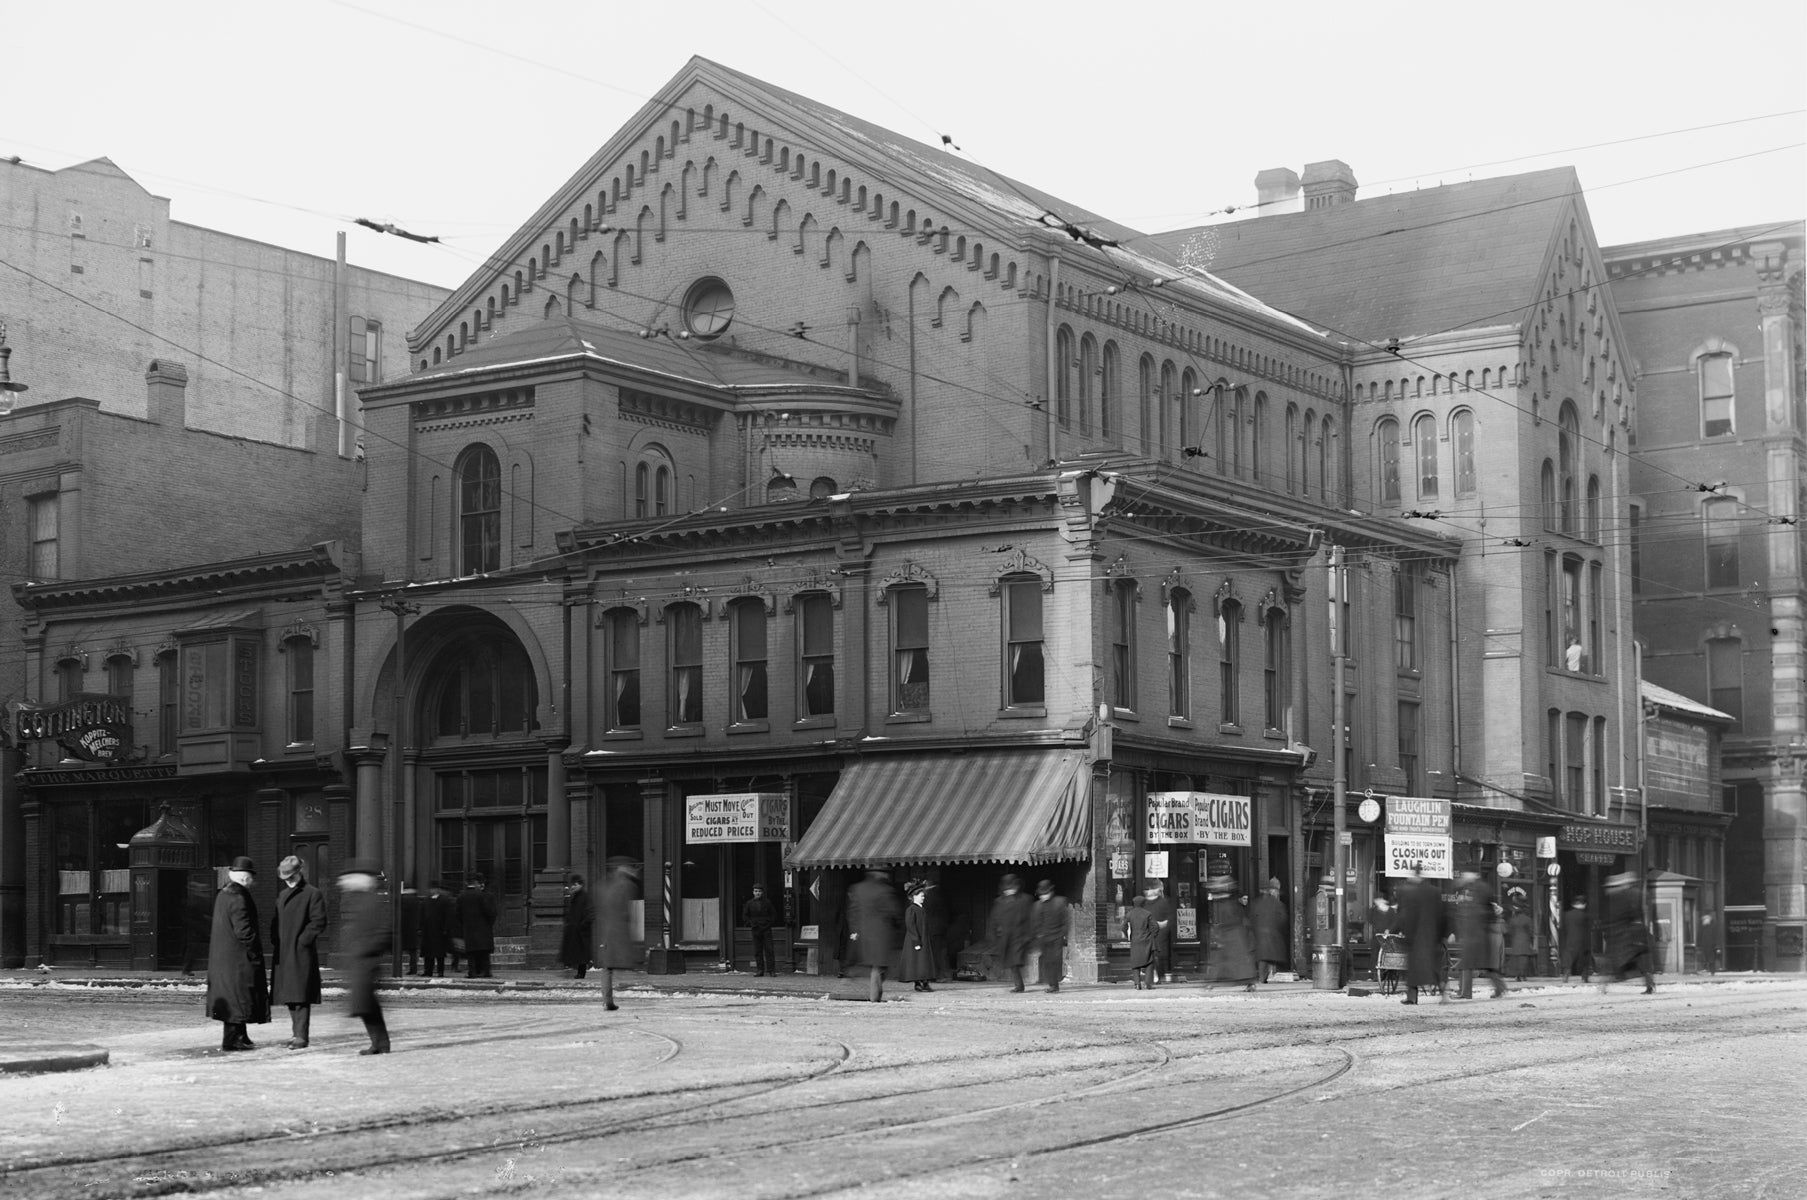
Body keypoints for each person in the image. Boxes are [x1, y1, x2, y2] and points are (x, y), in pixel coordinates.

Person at [205, 856, 270, 1051]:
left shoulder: (224, 894)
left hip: (225, 959)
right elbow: (244, 931)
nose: (252, 881)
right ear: (245, 878)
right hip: (238, 959)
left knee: (234, 997)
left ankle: (240, 1035)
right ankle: (234, 1040)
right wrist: (255, 951)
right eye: (251, 877)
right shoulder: (239, 897)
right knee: (238, 998)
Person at [269, 855, 327, 1050]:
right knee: (290, 995)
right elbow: (276, 920)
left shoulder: (312, 893)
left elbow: (318, 921)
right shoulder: (282, 895)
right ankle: (296, 1034)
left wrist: (303, 941)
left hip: (300, 953)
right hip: (284, 952)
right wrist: (275, 939)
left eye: (291, 877)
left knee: (301, 995)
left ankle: (301, 1036)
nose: (289, 881)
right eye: (285, 878)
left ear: (299, 873)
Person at [336, 859, 392, 1055]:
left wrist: (364, 948)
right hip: (360, 961)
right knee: (367, 1005)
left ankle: (380, 1043)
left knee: (366, 1004)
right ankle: (380, 1043)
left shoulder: (372, 901)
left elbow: (385, 931)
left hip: (367, 961)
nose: (343, 883)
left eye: (347, 879)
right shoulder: (359, 899)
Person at [846, 868, 902, 1002]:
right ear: (880, 874)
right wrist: (898, 925)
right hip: (881, 934)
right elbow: (893, 911)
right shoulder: (885, 890)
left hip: (863, 933)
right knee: (879, 966)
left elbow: (853, 912)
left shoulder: (857, 889)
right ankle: (874, 996)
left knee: (873, 964)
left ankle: (854, 975)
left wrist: (854, 931)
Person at [1394, 864, 1446, 1006]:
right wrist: (1444, 934)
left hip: (1415, 936)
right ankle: (1443, 994)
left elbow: (1405, 916)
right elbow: (1442, 914)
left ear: (1414, 876)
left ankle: (1412, 997)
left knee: (1413, 969)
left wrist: (1397, 930)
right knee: (1434, 967)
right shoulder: (1435, 891)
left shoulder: (1410, 893)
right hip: (1433, 936)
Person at [595, 857, 641, 1010]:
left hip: (607, 930)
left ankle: (607, 1000)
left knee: (607, 967)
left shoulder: (605, 886)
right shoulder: (626, 885)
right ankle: (608, 1000)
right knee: (617, 964)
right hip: (618, 931)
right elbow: (624, 910)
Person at [1453, 868, 1506, 999]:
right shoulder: (1477, 888)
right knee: (1485, 965)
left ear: (1473, 874)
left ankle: (1465, 992)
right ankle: (1499, 987)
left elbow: (1475, 911)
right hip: (1478, 934)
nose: (1464, 876)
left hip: (1475, 933)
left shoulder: (1477, 889)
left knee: (1467, 963)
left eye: (1466, 873)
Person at [1600, 871, 1655, 994]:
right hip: (1638, 933)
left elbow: (1617, 916)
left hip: (1624, 935)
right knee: (1641, 961)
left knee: (1614, 959)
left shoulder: (1621, 896)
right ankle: (1649, 983)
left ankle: (1606, 984)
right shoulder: (1639, 894)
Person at [988, 873, 1034, 993]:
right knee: (1013, 962)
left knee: (1015, 961)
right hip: (1006, 938)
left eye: (1012, 887)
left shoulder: (1025, 899)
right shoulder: (999, 902)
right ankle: (1019, 985)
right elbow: (994, 919)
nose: (1010, 890)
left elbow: (1030, 918)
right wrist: (994, 935)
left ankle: (1019, 985)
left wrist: (1029, 935)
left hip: (1020, 936)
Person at [1030, 879, 1070, 993]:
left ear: (1050, 892)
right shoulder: (1037, 906)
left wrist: (1063, 934)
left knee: (1055, 961)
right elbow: (1034, 922)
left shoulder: (1060, 902)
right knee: (1047, 962)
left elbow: (1065, 921)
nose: (1043, 896)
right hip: (1044, 938)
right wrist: (1038, 935)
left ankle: (1054, 985)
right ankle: (1052, 984)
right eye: (1041, 894)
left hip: (1057, 937)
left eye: (1045, 893)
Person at [457, 874, 499, 979]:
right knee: (484, 951)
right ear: (476, 883)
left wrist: (464, 924)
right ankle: (486, 971)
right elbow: (489, 911)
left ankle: (472, 972)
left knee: (471, 952)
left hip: (468, 927)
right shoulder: (482, 895)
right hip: (483, 927)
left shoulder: (461, 896)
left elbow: (457, 913)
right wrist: (489, 923)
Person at [1249, 877, 1290, 984]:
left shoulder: (1256, 903)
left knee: (1263, 957)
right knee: (1268, 957)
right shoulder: (1277, 904)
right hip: (1272, 935)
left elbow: (1252, 918)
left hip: (1259, 935)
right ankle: (1263, 978)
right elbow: (1283, 919)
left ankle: (1262, 977)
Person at [899, 882, 938, 993]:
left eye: (923, 896)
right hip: (915, 939)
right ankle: (918, 984)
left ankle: (924, 983)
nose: (923, 898)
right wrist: (916, 941)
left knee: (923, 961)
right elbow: (910, 926)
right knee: (917, 962)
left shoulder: (922, 909)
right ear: (914, 896)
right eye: (921, 896)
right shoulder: (911, 909)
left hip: (923, 938)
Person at [560, 874, 594, 979]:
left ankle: (581, 973)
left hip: (581, 931)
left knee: (581, 953)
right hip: (575, 930)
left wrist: (582, 925)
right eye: (572, 885)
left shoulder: (585, 897)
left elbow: (590, 913)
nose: (573, 887)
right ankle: (578, 971)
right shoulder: (575, 897)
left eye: (575, 885)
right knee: (578, 952)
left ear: (580, 885)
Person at [742, 883, 778, 977]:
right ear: (753, 892)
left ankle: (771, 970)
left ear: (762, 892)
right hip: (756, 929)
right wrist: (751, 924)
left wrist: (769, 923)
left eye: (759, 891)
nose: (757, 893)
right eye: (756, 891)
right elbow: (745, 916)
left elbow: (773, 915)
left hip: (766, 929)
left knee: (769, 950)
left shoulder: (767, 902)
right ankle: (760, 970)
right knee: (757, 951)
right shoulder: (749, 903)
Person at [421, 881, 455, 978]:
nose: (432, 890)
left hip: (439, 930)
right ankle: (428, 970)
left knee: (439, 954)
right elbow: (422, 915)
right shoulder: (426, 901)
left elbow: (448, 916)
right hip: (428, 931)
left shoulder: (444, 900)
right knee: (429, 954)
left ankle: (440, 971)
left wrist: (446, 928)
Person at [1145, 883, 1176, 984]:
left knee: (1158, 955)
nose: (1148, 891)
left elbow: (1171, 919)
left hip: (1159, 934)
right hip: (1149, 934)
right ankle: (1154, 975)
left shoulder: (1164, 902)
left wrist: (1161, 926)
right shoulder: (1144, 903)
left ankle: (1159, 975)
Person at [1124, 895, 1155, 990]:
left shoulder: (1129, 914)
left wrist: (1129, 937)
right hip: (1147, 940)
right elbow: (1155, 927)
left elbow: (1123, 927)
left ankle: (1137, 984)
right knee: (1149, 961)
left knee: (1135, 962)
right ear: (1143, 903)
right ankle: (1148, 983)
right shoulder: (1148, 914)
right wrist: (1152, 936)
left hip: (1135, 941)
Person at [1559, 896, 1593, 983]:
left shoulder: (1566, 915)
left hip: (1569, 939)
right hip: (1583, 940)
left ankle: (1566, 974)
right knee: (1584, 959)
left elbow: (1563, 928)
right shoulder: (1585, 916)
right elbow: (1588, 929)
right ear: (1583, 904)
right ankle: (1584, 977)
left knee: (1568, 957)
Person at [1505, 899, 1536, 982]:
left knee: (1516, 959)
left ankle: (1518, 975)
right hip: (1525, 941)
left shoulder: (1512, 920)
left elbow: (1509, 931)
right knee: (1524, 959)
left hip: (1515, 940)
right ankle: (1523, 975)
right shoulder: (1527, 919)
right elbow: (1531, 931)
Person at [399, 883, 422, 976]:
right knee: (413, 951)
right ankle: (413, 968)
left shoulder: (402, 899)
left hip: (403, 928)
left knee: (400, 949)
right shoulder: (416, 900)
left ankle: (399, 968)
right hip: (414, 928)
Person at [1698, 911, 1719, 976]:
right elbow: (1699, 936)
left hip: (1711, 946)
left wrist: (1717, 946)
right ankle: (1705, 970)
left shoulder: (1713, 927)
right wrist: (1698, 945)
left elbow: (1716, 936)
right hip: (1704, 946)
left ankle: (1712, 971)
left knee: (1711, 959)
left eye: (1706, 919)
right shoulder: (1702, 927)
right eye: (1704, 919)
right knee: (1704, 959)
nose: (1705, 921)